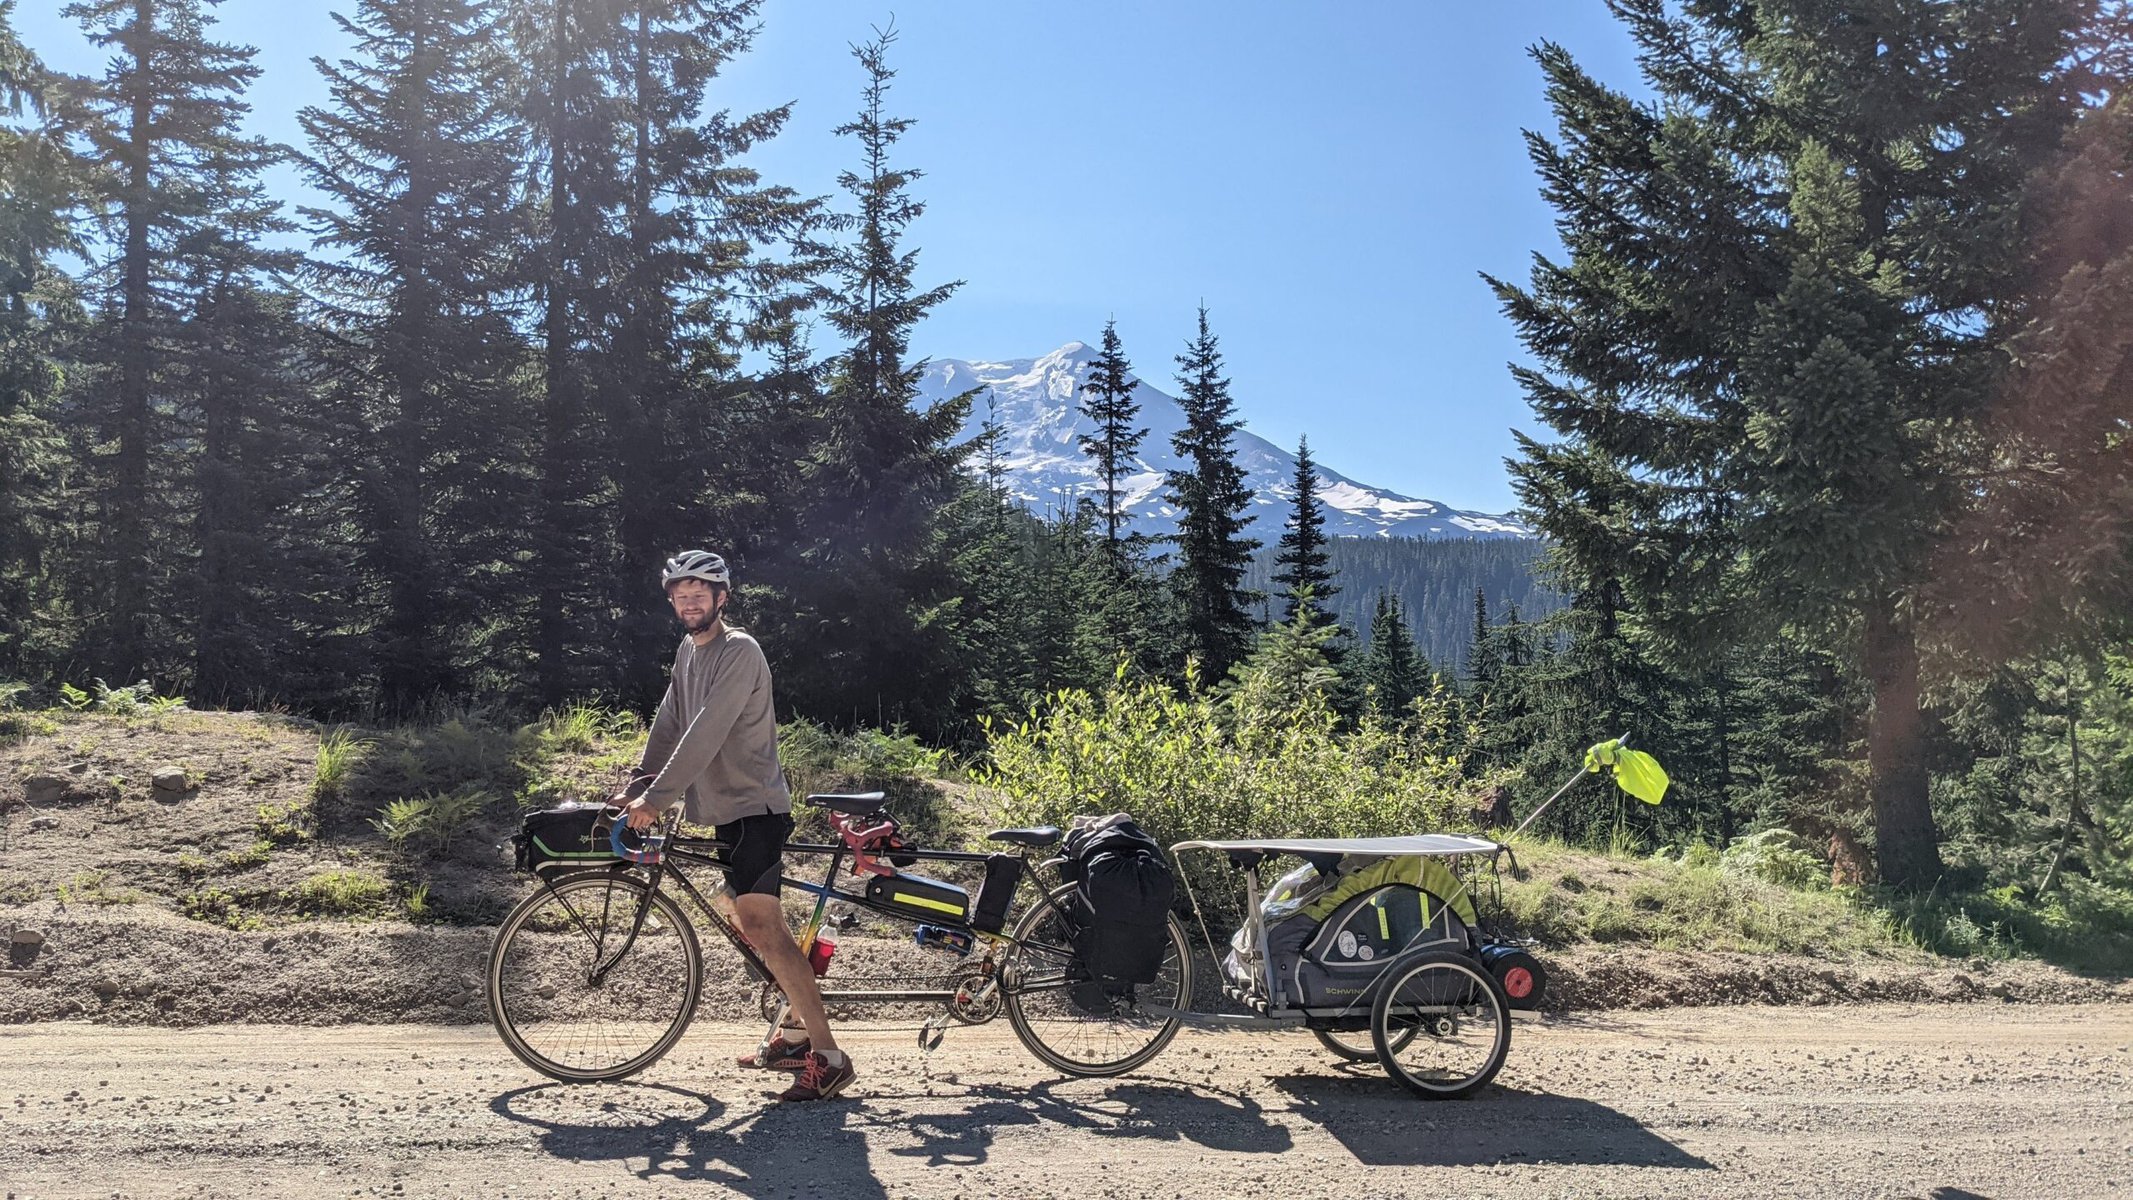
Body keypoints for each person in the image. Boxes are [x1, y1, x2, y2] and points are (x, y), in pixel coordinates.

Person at [614, 549, 856, 1101]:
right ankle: (795, 1035)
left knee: (763, 926)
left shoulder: (739, 651)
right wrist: (638, 779)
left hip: (755, 810)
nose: (690, 601)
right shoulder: (688, 651)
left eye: (701, 593)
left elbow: (706, 732)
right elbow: (672, 719)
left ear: (721, 599)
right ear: (672, 600)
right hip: (726, 812)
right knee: (742, 911)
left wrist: (658, 796)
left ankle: (830, 1056)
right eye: (681, 593)